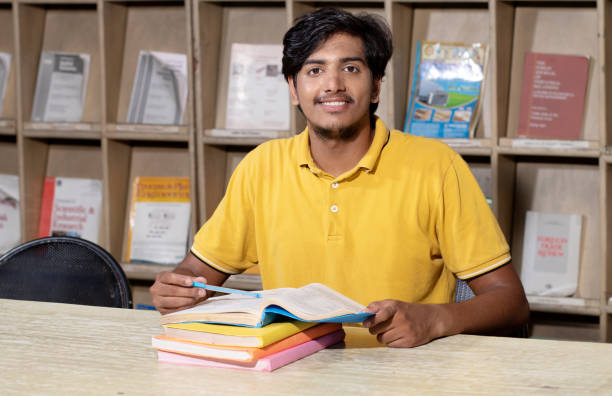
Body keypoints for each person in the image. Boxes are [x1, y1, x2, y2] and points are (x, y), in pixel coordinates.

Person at [150, 8, 529, 348]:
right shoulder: (261, 166)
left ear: (376, 85)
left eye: (350, 68)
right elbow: (196, 272)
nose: (333, 84)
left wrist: (435, 319)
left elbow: (511, 302)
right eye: (315, 71)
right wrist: (178, 286)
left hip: (405, 375)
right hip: (294, 368)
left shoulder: (436, 166)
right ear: (294, 89)